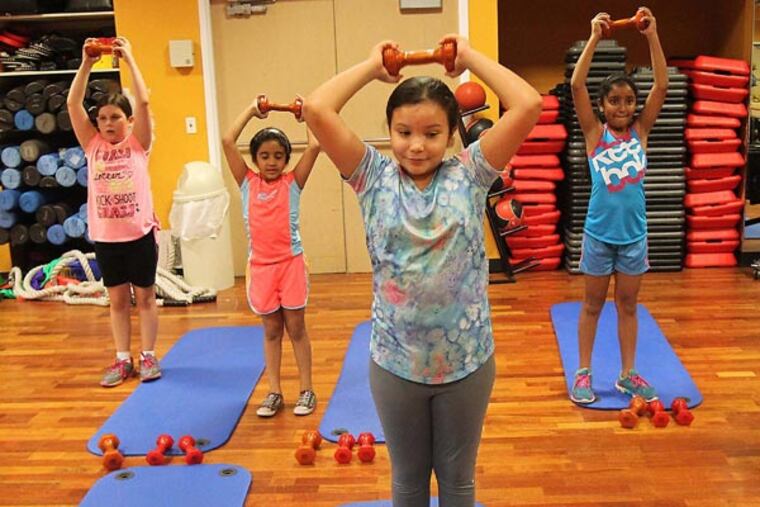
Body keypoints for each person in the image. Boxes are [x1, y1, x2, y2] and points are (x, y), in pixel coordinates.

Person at [304, 35, 541, 505]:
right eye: (404, 132)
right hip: (396, 362)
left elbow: (527, 104)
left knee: (458, 482)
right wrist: (372, 67)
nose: (416, 146)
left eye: (432, 134)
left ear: (452, 134)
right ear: (389, 131)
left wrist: (468, 58)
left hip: (467, 362)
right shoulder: (370, 175)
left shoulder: (472, 171)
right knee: (408, 482)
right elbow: (316, 108)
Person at [569, 8, 668, 404]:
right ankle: (583, 373)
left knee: (628, 305)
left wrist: (652, 35)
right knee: (592, 305)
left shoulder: (641, 132)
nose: (623, 107)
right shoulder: (596, 134)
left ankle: (628, 375)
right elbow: (576, 85)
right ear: (603, 104)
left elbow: (661, 84)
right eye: (614, 100)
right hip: (598, 236)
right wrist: (594, 36)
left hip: (633, 238)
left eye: (629, 101)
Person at [67, 37, 162, 387]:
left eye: (116, 117)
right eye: (103, 118)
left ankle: (148, 354)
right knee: (118, 301)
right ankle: (123, 358)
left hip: (139, 234)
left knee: (146, 297)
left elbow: (146, 99)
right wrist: (86, 63)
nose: (108, 124)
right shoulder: (92, 146)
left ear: (129, 119)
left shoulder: (138, 144)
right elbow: (72, 102)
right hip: (107, 237)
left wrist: (130, 57)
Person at [221, 98, 320, 417]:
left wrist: (302, 114)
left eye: (279, 156)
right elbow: (226, 140)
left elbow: (316, 145)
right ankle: (274, 391)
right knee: (272, 331)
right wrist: (251, 109)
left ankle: (306, 390)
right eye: (264, 156)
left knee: (296, 328)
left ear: (287, 159)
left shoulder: (293, 182)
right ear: (256, 158)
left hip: (290, 265)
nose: (272, 162)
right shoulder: (247, 182)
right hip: (261, 269)